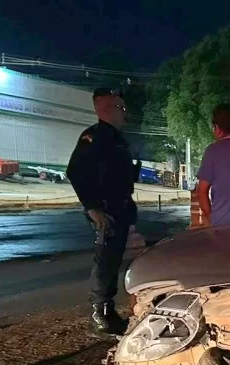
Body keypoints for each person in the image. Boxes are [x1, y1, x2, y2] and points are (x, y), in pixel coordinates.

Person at [66, 87, 139, 336]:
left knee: (113, 260)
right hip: (105, 211)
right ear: (106, 109)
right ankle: (99, 316)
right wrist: (92, 207)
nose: (124, 114)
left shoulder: (115, 138)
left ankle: (108, 313)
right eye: (121, 108)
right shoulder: (94, 137)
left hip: (120, 207)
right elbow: (75, 172)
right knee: (105, 261)